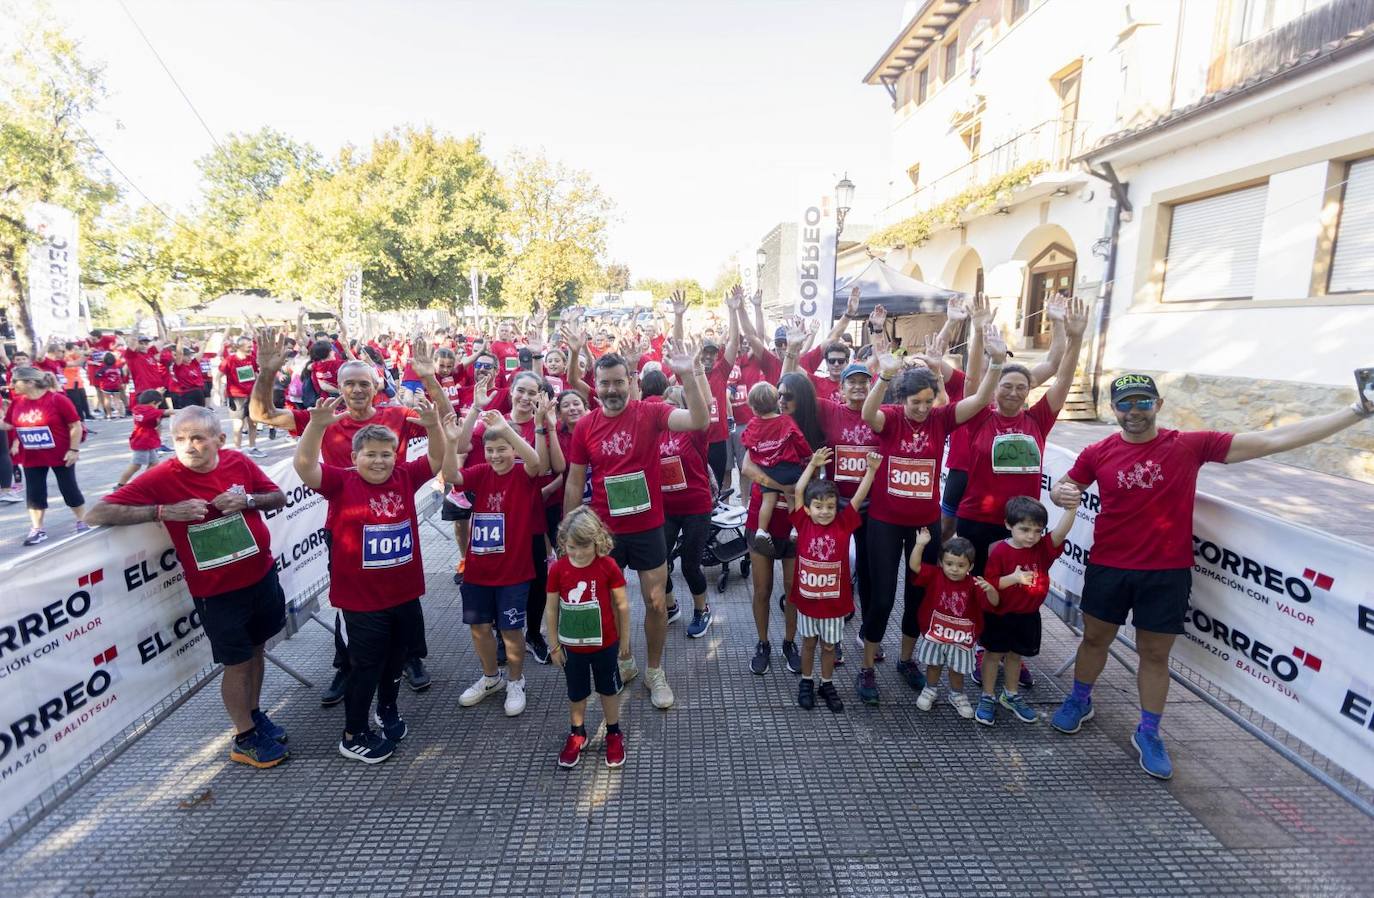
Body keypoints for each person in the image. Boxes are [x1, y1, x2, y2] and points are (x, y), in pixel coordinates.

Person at [1049, 372, 1374, 780]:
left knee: (1154, 654)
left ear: (1158, 405)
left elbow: (1271, 441)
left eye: (1142, 402)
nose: (1134, 411)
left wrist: (1356, 411)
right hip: (1109, 567)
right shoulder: (1098, 451)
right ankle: (1080, 700)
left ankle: (1149, 731)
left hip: (1166, 573)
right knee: (1095, 638)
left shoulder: (1188, 445)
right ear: (1113, 409)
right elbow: (1066, 486)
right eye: (1125, 404)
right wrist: (1063, 493)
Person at [251, 328, 453, 699]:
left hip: (393, 520)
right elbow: (262, 413)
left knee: (405, 597)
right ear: (339, 387)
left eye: (364, 383)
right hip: (346, 529)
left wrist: (427, 377)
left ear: (376, 385)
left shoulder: (396, 414)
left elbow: (443, 417)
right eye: (351, 384)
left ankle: (411, 658)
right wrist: (267, 372)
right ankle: (347, 666)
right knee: (349, 603)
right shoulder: (324, 419)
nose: (358, 390)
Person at [86, 406, 290, 769]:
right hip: (217, 592)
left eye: (197, 437)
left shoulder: (237, 462)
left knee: (257, 650)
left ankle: (255, 717)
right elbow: (97, 514)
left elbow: (277, 496)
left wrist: (248, 501)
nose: (189, 446)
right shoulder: (163, 476)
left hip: (260, 576)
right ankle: (243, 737)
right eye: (179, 439)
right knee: (237, 662)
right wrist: (162, 512)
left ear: (219, 440)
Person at [294, 395, 452, 764]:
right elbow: (304, 466)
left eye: (387, 454)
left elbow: (436, 459)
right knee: (365, 665)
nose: (380, 461)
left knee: (396, 659)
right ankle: (354, 733)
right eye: (371, 454)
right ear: (354, 458)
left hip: (404, 594)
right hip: (362, 602)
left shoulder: (404, 476)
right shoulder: (340, 482)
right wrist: (316, 425)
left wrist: (433, 427)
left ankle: (387, 708)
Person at [853, 325, 1004, 706]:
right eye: (914, 402)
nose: (921, 408)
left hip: (925, 524)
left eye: (926, 401)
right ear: (902, 399)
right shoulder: (890, 416)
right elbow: (869, 413)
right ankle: (868, 666)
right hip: (886, 522)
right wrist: (885, 375)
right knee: (883, 597)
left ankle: (907, 660)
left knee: (919, 595)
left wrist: (997, 363)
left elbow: (982, 400)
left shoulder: (941, 419)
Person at [563, 345, 710, 710]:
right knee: (611, 603)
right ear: (594, 385)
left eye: (618, 382)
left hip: (647, 527)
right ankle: (624, 660)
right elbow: (573, 482)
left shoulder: (651, 412)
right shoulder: (585, 425)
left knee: (656, 603)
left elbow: (698, 421)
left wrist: (688, 376)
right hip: (604, 531)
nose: (611, 390)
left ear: (631, 382)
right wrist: (566, 534)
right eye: (604, 383)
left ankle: (655, 671)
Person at [452, 411, 547, 717]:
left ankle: (516, 681)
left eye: (502, 449)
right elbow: (452, 475)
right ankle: (491, 677)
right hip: (479, 571)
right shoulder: (480, 472)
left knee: (511, 629)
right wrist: (454, 438)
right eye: (491, 450)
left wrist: (506, 428)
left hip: (514, 572)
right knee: (479, 627)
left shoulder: (523, 475)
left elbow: (536, 462)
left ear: (514, 450)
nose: (495, 455)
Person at [789, 447, 880, 712]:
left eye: (830, 506)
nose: (825, 511)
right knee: (807, 643)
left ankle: (826, 683)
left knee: (829, 647)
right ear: (808, 508)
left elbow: (858, 498)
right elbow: (797, 491)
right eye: (818, 506)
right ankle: (806, 681)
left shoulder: (843, 523)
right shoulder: (803, 523)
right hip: (807, 602)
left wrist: (871, 471)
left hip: (834, 605)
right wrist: (813, 465)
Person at [975, 494, 1079, 726]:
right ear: (1008, 525)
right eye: (1024, 529)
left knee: (1015, 656)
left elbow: (1060, 533)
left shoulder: (1041, 548)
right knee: (992, 656)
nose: (1031, 536)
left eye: (1037, 530)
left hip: (1027, 615)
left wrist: (1072, 509)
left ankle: (1010, 694)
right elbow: (990, 585)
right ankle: (987, 696)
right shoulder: (1000, 551)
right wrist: (1013, 578)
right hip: (999, 615)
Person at [546, 507, 632, 769]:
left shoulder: (608, 566)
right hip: (572, 648)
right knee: (576, 692)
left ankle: (614, 732)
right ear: (563, 543)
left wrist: (624, 641)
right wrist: (554, 645)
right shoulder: (558, 570)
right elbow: (551, 609)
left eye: (584, 547)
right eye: (572, 547)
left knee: (608, 689)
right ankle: (577, 732)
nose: (578, 554)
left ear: (597, 542)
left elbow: (622, 606)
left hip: (605, 644)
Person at [643, 371, 714, 639]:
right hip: (667, 509)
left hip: (696, 507)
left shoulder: (694, 432)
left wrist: (693, 375)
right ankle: (671, 606)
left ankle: (701, 609)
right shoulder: (653, 433)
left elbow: (704, 407)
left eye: (673, 408)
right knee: (658, 560)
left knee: (689, 565)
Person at [907, 532, 998, 718]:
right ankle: (930, 689)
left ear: (970, 566)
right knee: (933, 665)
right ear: (941, 563)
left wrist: (992, 590)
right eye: (949, 564)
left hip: (962, 638)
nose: (954, 569)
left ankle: (957, 694)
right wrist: (920, 544)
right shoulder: (934, 575)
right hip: (935, 634)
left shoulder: (974, 584)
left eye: (961, 565)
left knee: (958, 669)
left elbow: (993, 603)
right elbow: (914, 566)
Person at [4, 367, 86, 545]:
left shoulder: (57, 400)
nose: (11, 386)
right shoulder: (17, 403)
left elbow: (75, 425)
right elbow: (8, 425)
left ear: (30, 382)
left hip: (61, 454)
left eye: (15, 381)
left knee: (69, 488)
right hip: (32, 457)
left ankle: (82, 520)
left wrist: (73, 449)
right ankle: (37, 529)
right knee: (34, 492)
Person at [741, 381, 812, 555]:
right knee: (792, 497)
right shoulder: (785, 421)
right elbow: (799, 439)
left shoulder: (753, 424)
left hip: (767, 468)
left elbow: (747, 442)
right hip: (788, 467)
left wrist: (760, 454)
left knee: (768, 501)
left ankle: (761, 531)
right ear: (776, 402)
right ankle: (795, 528)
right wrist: (807, 455)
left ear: (754, 408)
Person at [220, 336, 267, 457]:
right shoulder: (230, 360)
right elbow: (218, 375)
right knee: (238, 424)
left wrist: (261, 390)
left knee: (253, 422)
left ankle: (252, 447)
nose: (251, 348)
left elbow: (256, 374)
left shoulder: (251, 359)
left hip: (252, 395)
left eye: (251, 346)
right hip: (237, 396)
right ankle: (238, 450)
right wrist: (217, 391)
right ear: (239, 347)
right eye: (249, 346)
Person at [117, 389, 170, 486]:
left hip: (146, 441)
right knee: (136, 465)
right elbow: (166, 412)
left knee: (154, 463)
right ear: (153, 403)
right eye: (157, 405)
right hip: (143, 441)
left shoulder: (139, 408)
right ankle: (121, 484)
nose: (157, 407)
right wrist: (181, 410)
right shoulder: (148, 411)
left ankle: (145, 482)